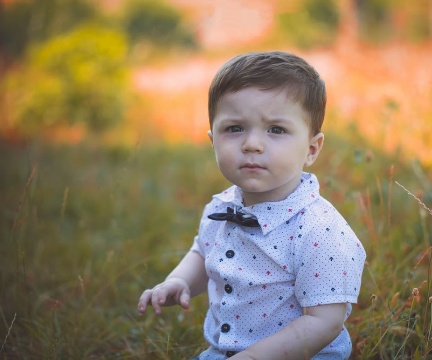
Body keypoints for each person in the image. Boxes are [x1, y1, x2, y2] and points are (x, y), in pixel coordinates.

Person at [137, 51, 366, 359]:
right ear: (212, 140)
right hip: (225, 352)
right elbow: (202, 250)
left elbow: (324, 322)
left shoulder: (320, 231)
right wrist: (180, 280)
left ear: (311, 149)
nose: (252, 144)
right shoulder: (221, 208)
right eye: (234, 128)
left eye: (276, 130)